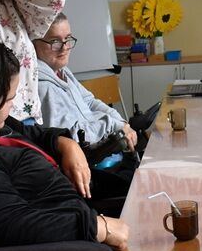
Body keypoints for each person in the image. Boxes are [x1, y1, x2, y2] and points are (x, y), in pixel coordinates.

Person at [0, 35, 129, 251]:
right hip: (68, 250)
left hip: (82, 204)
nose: (11, 107)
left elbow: (31, 133)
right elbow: (15, 225)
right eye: (10, 99)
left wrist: (64, 143)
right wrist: (97, 227)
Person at [37, 13, 138, 151]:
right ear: (34, 42)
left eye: (67, 38)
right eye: (55, 41)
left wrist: (120, 123)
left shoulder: (62, 70)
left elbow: (89, 102)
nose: (64, 47)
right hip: (89, 158)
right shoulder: (42, 87)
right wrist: (114, 126)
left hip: (102, 145)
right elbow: (71, 136)